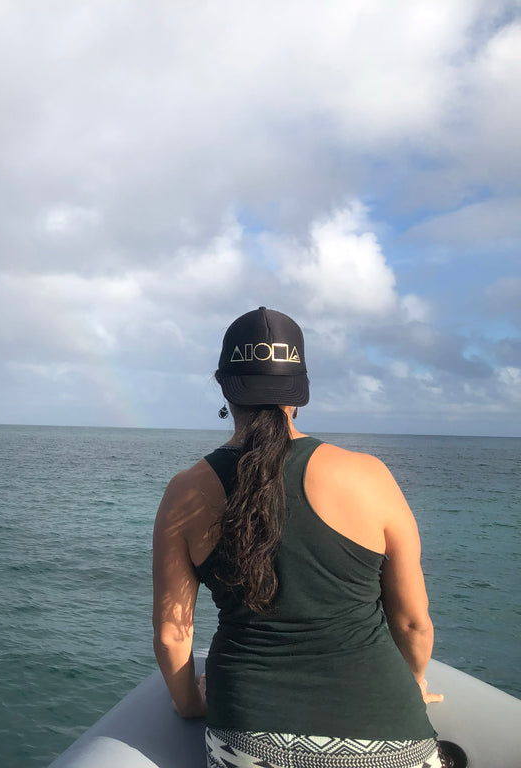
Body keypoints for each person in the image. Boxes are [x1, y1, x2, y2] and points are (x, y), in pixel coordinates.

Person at [152, 307, 447, 768]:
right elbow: (413, 624)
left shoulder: (186, 490)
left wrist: (190, 703)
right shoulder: (370, 477)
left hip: (248, 741)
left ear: (225, 387)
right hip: (390, 739)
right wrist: (412, 686)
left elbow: (173, 635)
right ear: (300, 392)